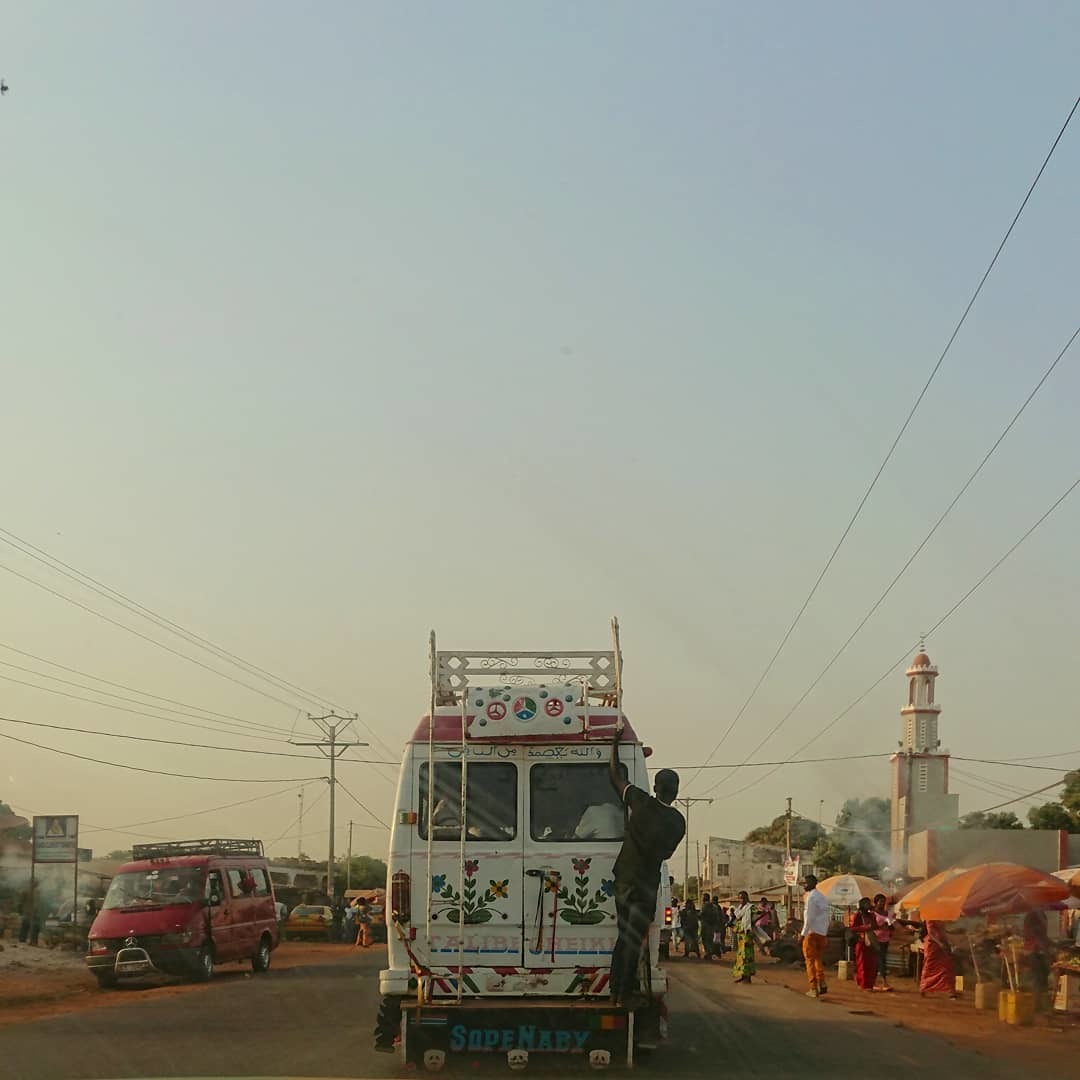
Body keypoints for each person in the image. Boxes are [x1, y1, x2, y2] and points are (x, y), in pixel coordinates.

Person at [607, 720, 686, 1008]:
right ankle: (622, 993)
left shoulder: (640, 802)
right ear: (675, 791)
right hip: (646, 884)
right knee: (632, 937)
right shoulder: (677, 821)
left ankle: (616, 990)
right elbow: (665, 854)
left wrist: (614, 743)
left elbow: (615, 776)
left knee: (622, 936)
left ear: (655, 786)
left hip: (624, 880)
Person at [801, 874, 830, 998]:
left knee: (810, 961)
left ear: (812, 883)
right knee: (818, 959)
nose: (804, 885)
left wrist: (803, 934)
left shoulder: (811, 897)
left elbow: (809, 918)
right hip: (822, 933)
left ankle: (813, 988)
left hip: (811, 933)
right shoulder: (822, 897)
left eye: (806, 883)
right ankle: (822, 982)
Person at [1022, 908, 1051, 1010]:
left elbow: (1043, 934)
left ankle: (1041, 1005)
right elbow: (1032, 934)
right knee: (1038, 978)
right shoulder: (1032, 916)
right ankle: (1037, 1005)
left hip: (1040, 951)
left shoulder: (1041, 914)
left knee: (1043, 978)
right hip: (1033, 951)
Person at [919, 920, 957, 997]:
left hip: (943, 944)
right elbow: (931, 933)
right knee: (930, 967)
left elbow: (944, 931)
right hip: (933, 945)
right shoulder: (930, 918)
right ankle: (924, 988)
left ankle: (949, 990)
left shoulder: (942, 918)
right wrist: (940, 943)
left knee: (946, 967)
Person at [850, 897, 879, 991]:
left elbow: (875, 926)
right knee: (862, 963)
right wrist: (865, 927)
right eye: (865, 903)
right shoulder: (858, 915)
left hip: (871, 941)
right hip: (861, 941)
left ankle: (870, 984)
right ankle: (863, 984)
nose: (867, 905)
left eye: (868, 903)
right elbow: (853, 928)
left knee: (872, 963)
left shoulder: (872, 915)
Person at [731, 892, 757, 984]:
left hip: (747, 934)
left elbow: (757, 915)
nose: (741, 900)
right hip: (741, 935)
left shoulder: (751, 907)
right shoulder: (739, 908)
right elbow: (737, 916)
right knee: (741, 956)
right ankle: (743, 975)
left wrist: (751, 924)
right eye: (740, 898)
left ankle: (748, 977)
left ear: (747, 898)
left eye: (743, 898)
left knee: (747, 956)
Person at [872, 893, 895, 991]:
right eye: (880, 902)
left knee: (882, 960)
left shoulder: (888, 913)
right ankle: (882, 982)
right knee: (879, 960)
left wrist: (890, 927)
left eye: (883, 902)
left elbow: (893, 925)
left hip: (885, 939)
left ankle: (880, 981)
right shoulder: (873, 913)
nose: (882, 904)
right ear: (876, 903)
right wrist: (882, 926)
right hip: (876, 939)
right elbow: (871, 926)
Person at [700, 894, 718, 960]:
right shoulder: (714, 906)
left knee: (705, 939)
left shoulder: (704, 906)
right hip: (712, 926)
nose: (702, 898)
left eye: (703, 897)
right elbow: (716, 916)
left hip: (705, 925)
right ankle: (709, 953)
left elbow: (701, 914)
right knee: (710, 940)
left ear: (705, 898)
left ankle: (708, 953)